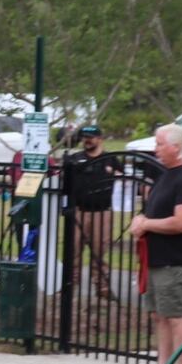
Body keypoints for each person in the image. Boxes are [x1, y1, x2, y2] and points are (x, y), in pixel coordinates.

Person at [130, 124, 182, 364]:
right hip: (156, 259)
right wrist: (141, 220)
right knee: (160, 316)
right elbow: (153, 211)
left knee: (176, 316)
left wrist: (147, 224)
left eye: (160, 143)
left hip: (176, 261)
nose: (156, 149)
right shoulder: (167, 176)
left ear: (176, 147)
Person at [63, 126, 122, 302]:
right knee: (73, 251)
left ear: (100, 138)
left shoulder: (110, 159)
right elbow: (65, 182)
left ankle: (102, 287)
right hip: (80, 211)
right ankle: (70, 286)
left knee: (100, 251)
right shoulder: (76, 159)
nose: (86, 140)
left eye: (90, 137)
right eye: (84, 137)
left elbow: (124, 182)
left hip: (102, 212)